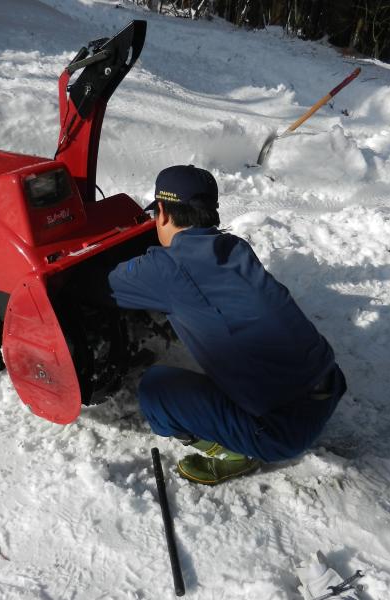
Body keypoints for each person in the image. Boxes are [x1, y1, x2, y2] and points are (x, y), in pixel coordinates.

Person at [108, 165, 346, 485]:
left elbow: (105, 285)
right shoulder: (236, 247)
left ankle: (234, 453)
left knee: (155, 390)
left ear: (161, 213)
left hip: (281, 432)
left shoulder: (167, 269)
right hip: (329, 385)